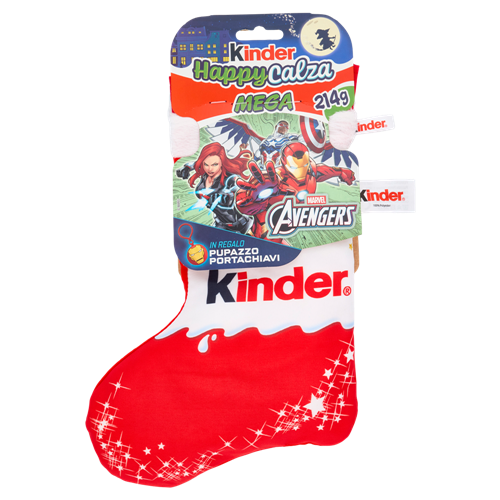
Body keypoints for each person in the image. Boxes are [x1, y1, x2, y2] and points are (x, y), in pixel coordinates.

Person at [176, 142, 253, 234]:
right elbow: (200, 162)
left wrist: (229, 197)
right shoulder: (206, 175)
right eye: (206, 165)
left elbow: (242, 191)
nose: (210, 169)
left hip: (242, 226)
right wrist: (188, 167)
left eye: (215, 165)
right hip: (220, 225)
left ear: (222, 163)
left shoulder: (231, 179)